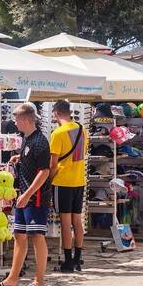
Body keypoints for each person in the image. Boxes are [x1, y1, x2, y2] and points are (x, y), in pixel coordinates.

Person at [0, 103, 52, 286]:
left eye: (17, 119)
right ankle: (12, 278)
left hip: (35, 197)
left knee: (36, 235)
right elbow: (33, 161)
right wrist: (20, 158)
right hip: (24, 194)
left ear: (26, 120)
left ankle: (39, 280)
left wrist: (28, 194)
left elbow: (44, 171)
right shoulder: (28, 139)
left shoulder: (40, 141)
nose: (15, 122)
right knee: (19, 235)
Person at [48, 100, 87, 273]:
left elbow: (53, 164)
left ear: (56, 113)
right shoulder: (82, 129)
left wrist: (48, 180)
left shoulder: (58, 133)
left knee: (65, 222)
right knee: (77, 220)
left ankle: (68, 262)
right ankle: (78, 260)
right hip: (79, 180)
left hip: (62, 181)